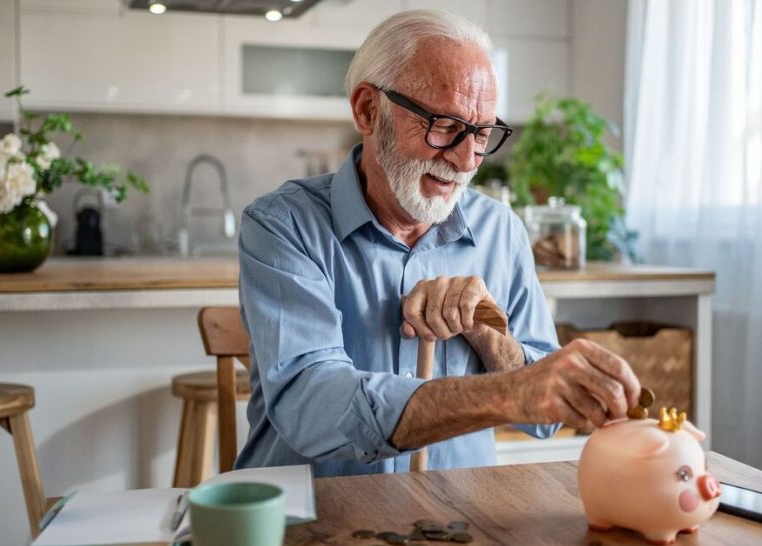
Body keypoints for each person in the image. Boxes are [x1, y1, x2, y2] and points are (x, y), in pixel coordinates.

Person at [235, 9, 640, 477]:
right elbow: (312, 405)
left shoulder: (501, 231)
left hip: (455, 521)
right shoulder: (284, 224)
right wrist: (508, 393)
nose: (467, 160)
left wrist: (491, 336)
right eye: (445, 126)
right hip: (314, 519)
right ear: (368, 110)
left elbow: (544, 420)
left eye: (482, 133)